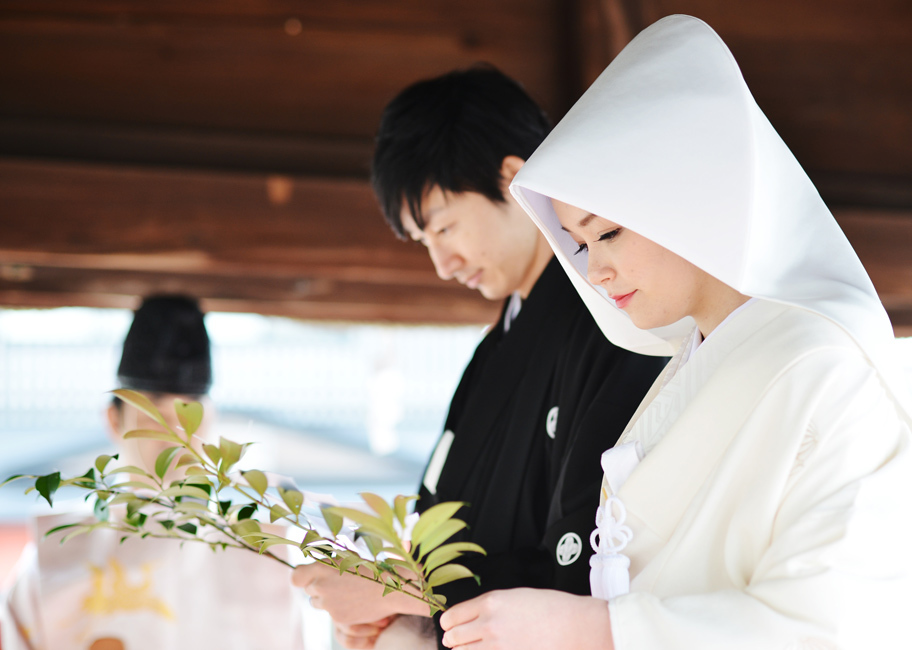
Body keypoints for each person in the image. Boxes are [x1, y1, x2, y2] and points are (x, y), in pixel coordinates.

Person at [437, 16, 912, 650]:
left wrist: (598, 630)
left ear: (687, 197)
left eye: (607, 233)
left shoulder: (826, 364)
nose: (595, 271)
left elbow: (840, 624)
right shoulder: (690, 365)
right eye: (579, 245)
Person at [290, 67, 668, 649]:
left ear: (512, 179)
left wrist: (404, 593)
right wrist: (393, 609)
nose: (442, 264)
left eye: (444, 228)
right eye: (425, 242)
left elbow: (585, 561)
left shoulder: (613, 323)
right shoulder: (492, 350)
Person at [1, 295, 306, 650]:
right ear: (114, 420)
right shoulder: (56, 559)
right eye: (153, 415)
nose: (175, 435)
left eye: (189, 414)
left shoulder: (260, 557)